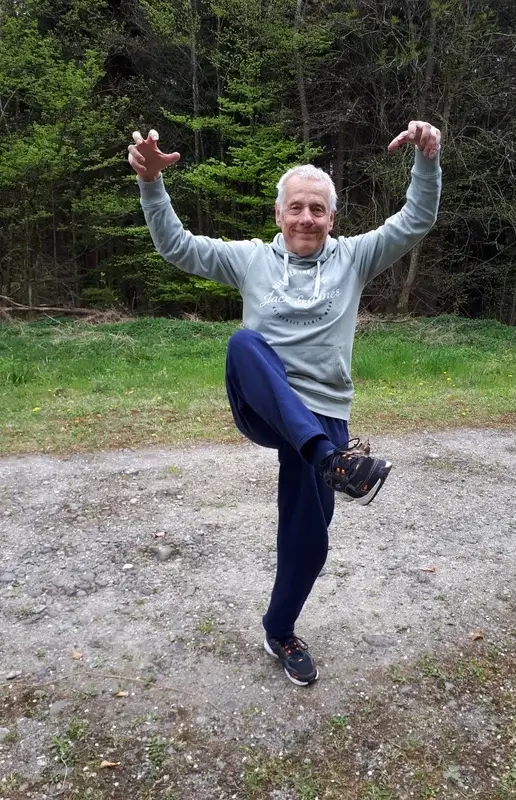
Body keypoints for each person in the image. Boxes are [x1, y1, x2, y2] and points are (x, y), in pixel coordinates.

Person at [128, 122, 442, 686]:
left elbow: (415, 220)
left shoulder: (353, 259)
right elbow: (176, 247)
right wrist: (152, 184)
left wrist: (427, 161)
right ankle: (332, 459)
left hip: (324, 421)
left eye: (317, 210)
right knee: (244, 342)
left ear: (331, 219)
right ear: (278, 215)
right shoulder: (250, 260)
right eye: (295, 207)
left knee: (311, 538)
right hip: (263, 404)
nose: (306, 218)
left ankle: (280, 628)